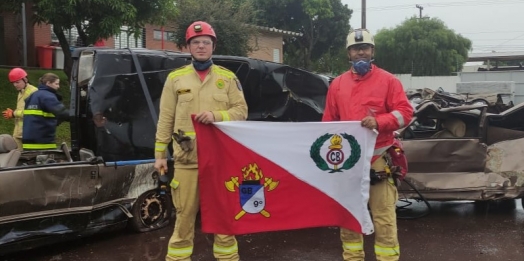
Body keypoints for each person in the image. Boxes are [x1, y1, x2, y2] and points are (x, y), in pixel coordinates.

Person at [154, 21, 248, 261]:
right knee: (183, 220)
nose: (201, 46)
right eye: (196, 42)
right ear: (188, 47)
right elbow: (166, 118)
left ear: (213, 46)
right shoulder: (176, 79)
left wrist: (217, 116)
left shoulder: (227, 78)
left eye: (206, 42)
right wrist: (160, 155)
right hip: (187, 161)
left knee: (224, 221)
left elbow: (241, 111)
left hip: (219, 162)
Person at [322, 28, 414, 261]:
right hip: (348, 163)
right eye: (355, 48)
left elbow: (405, 112)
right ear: (348, 54)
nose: (360, 52)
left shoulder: (389, 81)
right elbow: (328, 122)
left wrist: (380, 121)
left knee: (384, 217)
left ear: (372, 51)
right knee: (349, 217)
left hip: (378, 159)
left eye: (365, 48)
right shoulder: (337, 85)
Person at [22, 73, 69, 150]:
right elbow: (62, 112)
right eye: (56, 84)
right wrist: (77, 117)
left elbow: (41, 116)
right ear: (48, 83)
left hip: (28, 141)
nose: (58, 86)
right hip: (43, 142)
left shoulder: (33, 95)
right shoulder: (47, 96)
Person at [2, 68, 38, 150]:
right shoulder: (21, 91)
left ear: (25, 79)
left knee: (28, 158)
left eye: (17, 82)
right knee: (16, 156)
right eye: (13, 83)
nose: (15, 85)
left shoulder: (33, 92)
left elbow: (33, 112)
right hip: (19, 132)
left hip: (29, 132)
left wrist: (13, 113)